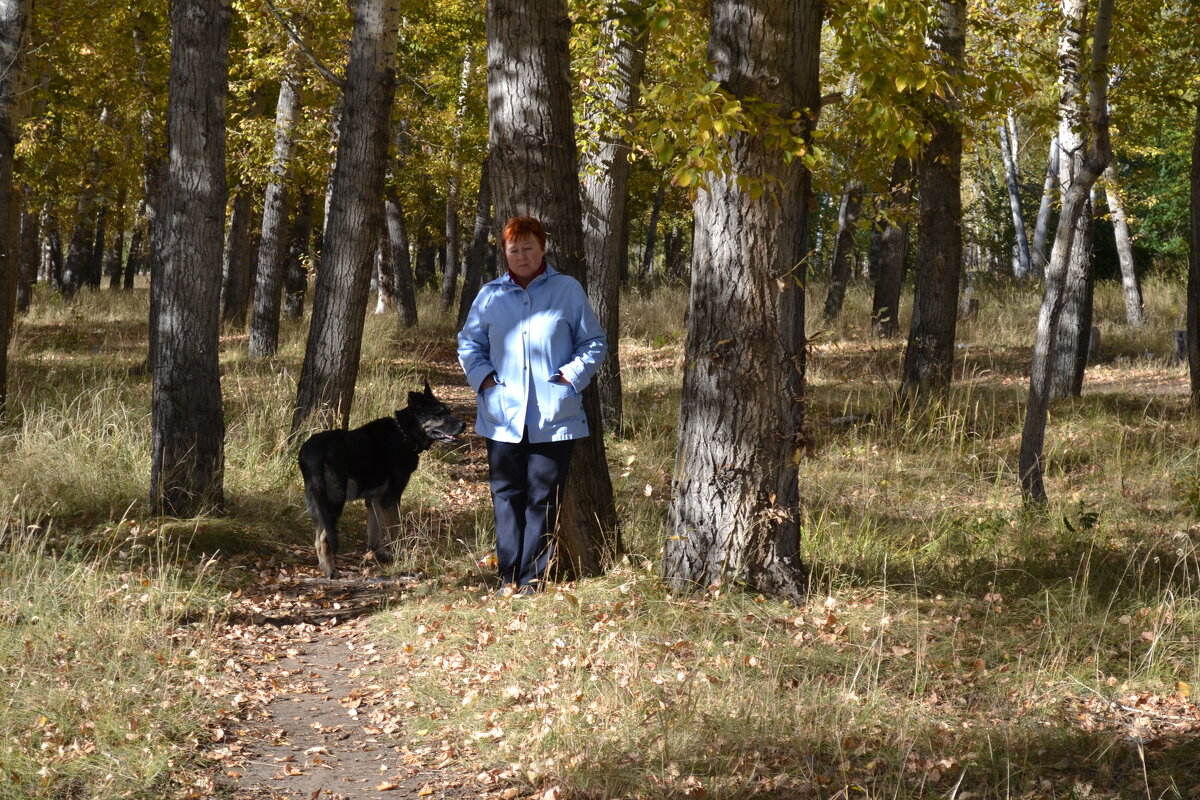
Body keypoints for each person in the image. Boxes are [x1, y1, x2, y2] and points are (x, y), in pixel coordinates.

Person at [457, 216, 607, 595]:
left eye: (528, 248)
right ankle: (507, 577)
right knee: (507, 496)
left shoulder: (567, 290)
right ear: (504, 253)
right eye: (514, 250)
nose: (522, 256)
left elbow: (594, 343)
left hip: (554, 415)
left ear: (542, 249)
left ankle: (531, 579)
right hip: (502, 414)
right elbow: (469, 344)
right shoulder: (489, 295)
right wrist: (486, 381)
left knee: (542, 498)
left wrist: (570, 377)